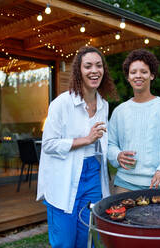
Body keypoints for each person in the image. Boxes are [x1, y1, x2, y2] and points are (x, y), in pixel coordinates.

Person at [36, 46, 117, 248]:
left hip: (93, 176)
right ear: (78, 71)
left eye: (99, 65)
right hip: (64, 176)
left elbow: (103, 143)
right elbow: (48, 145)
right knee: (64, 241)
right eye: (88, 66)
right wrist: (85, 140)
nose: (94, 70)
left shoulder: (104, 104)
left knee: (85, 239)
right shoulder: (61, 104)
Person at [108, 48, 160, 194]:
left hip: (158, 184)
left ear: (152, 75)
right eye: (133, 72)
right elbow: (109, 144)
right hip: (124, 185)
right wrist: (116, 155)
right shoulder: (119, 111)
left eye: (144, 72)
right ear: (128, 77)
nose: (138, 76)